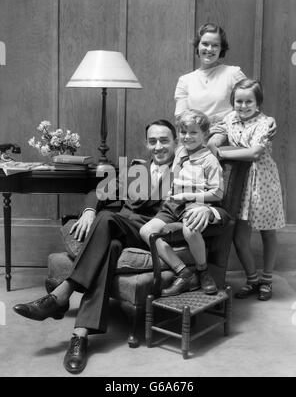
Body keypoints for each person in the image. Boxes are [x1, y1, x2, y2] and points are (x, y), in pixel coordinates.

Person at [12, 119, 226, 375]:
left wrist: (207, 208)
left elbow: (219, 202)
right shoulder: (138, 170)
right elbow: (98, 191)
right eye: (153, 141)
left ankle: (62, 293)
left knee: (107, 219)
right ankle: (80, 335)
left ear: (176, 142)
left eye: (164, 140)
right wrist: (90, 211)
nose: (158, 147)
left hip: (152, 236)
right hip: (118, 231)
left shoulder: (189, 169)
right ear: (147, 143)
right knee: (110, 245)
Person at [208, 78, 285, 302]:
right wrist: (215, 141)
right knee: (240, 235)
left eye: (248, 101)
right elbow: (214, 134)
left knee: (268, 232)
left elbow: (254, 153)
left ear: (258, 103)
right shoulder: (230, 118)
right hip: (239, 182)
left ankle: (267, 280)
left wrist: (222, 153)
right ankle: (252, 279)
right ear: (233, 102)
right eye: (238, 101)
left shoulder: (264, 123)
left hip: (263, 181)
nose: (243, 106)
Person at [140, 110, 223, 297]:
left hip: (195, 204)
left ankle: (202, 270)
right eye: (184, 132)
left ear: (205, 135)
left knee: (189, 230)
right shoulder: (179, 152)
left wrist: (186, 196)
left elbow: (217, 193)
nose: (187, 136)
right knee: (146, 231)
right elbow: (175, 174)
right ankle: (184, 272)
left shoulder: (209, 160)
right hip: (173, 205)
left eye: (193, 132)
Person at [174, 23, 246, 123]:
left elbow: (251, 106)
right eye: (205, 44)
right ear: (197, 45)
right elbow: (180, 118)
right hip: (196, 134)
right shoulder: (185, 80)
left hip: (226, 132)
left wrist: (267, 120)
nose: (209, 49)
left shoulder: (233, 73)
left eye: (215, 45)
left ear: (221, 48)